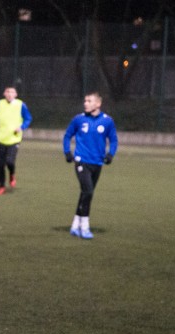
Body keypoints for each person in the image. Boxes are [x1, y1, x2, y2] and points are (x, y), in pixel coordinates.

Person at [62, 92, 118, 239]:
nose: (85, 103)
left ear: (98, 104)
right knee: (88, 192)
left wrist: (111, 154)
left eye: (89, 101)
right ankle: (85, 227)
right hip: (81, 161)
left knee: (85, 193)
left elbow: (113, 140)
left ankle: (75, 225)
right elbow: (67, 135)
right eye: (85, 100)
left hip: (97, 163)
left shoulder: (107, 121)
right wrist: (67, 152)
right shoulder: (78, 119)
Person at [0, 86, 31, 195]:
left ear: (16, 94)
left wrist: (21, 127)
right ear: (4, 93)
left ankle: (12, 174)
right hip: (2, 138)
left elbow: (28, 118)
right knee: (0, 165)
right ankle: (1, 186)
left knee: (10, 162)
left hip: (14, 139)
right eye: (7, 91)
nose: (10, 94)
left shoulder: (21, 105)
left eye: (12, 92)